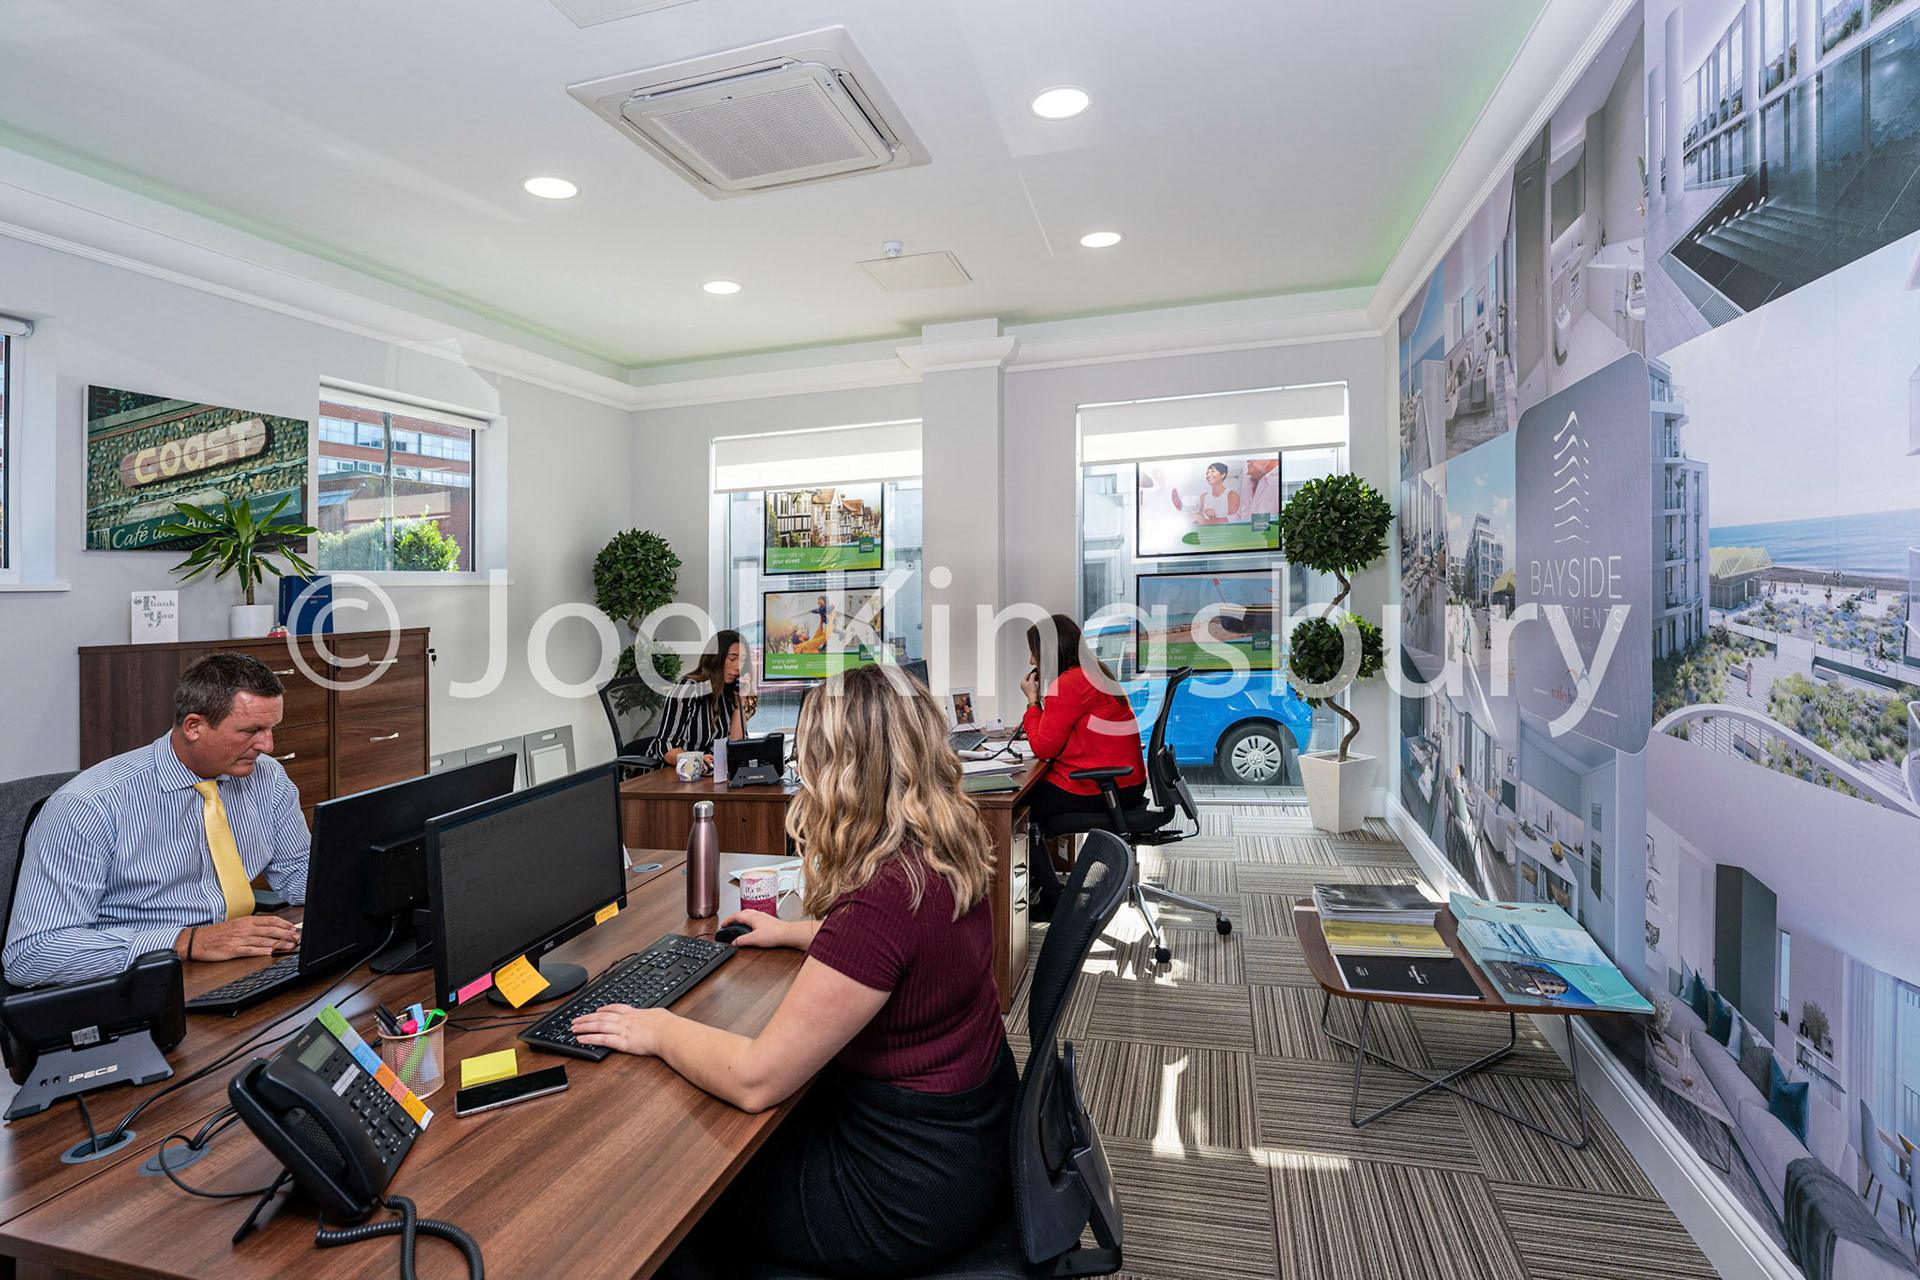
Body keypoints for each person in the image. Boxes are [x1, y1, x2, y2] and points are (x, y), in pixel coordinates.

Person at [576, 665, 1012, 1280]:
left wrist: (656, 1028)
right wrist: (794, 932)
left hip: (902, 1195)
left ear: (843, 771)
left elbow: (756, 1079)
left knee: (667, 1186)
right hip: (967, 1140)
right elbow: (902, 956)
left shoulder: (884, 897)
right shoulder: (940, 847)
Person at [4, 653, 308, 987]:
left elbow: (297, 875)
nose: (268, 745)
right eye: (251, 731)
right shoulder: (87, 806)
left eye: (270, 728)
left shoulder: (267, 777)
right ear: (193, 727)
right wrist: (186, 941)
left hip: (237, 961)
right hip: (135, 981)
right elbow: (32, 954)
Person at [1019, 614, 1146, 914]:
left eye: (1034, 653)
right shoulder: (1094, 672)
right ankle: (1043, 884)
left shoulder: (1070, 683)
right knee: (1034, 795)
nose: (1031, 661)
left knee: (1021, 813)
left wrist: (1032, 702)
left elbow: (1044, 748)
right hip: (1126, 781)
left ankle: (1053, 899)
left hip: (1104, 784)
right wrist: (1039, 716)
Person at [657, 630, 748, 770]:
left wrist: (739, 705)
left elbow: (736, 745)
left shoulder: (729, 691)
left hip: (713, 772)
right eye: (732, 659)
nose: (738, 667)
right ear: (715, 659)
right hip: (678, 772)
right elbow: (665, 746)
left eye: (742, 660)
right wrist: (697, 761)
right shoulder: (687, 690)